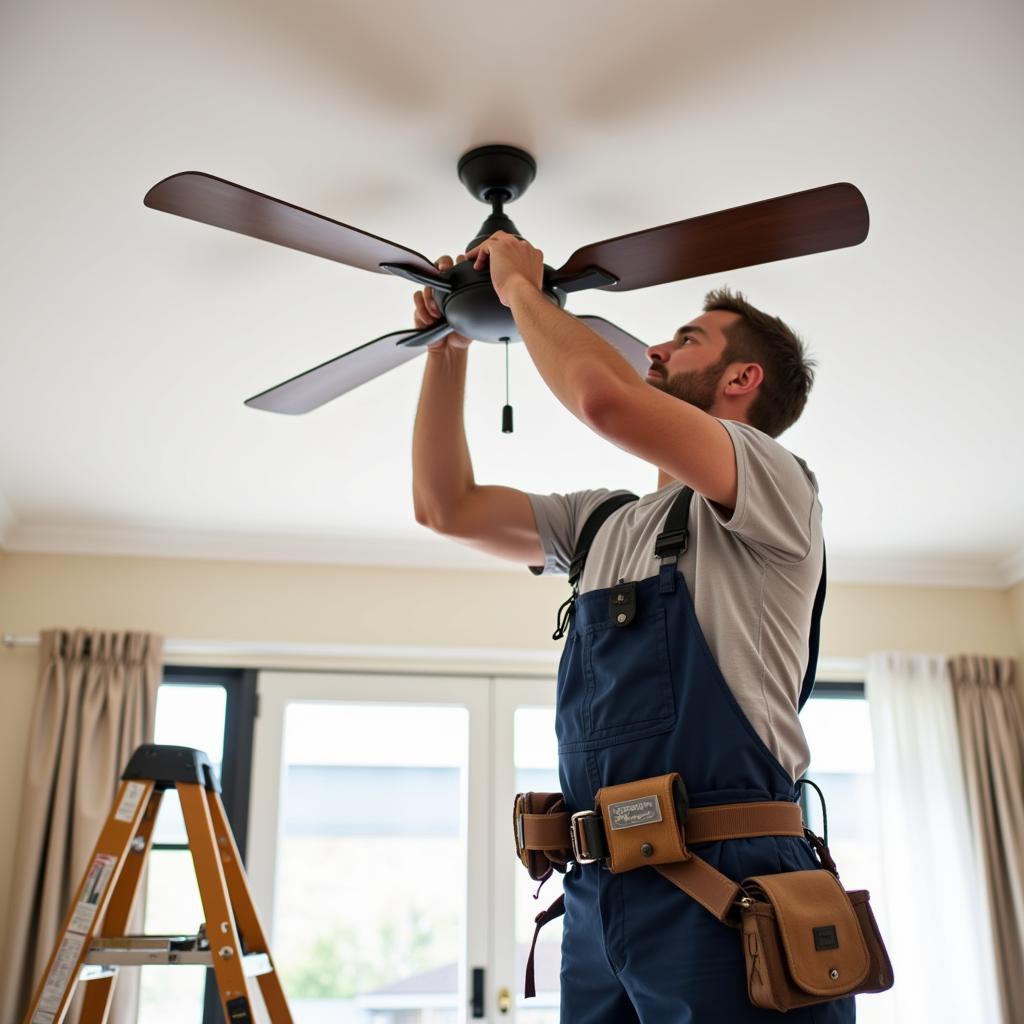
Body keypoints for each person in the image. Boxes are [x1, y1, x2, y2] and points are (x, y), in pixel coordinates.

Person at [411, 234, 852, 1023]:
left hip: (730, 888)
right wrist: (451, 342)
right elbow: (446, 506)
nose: (653, 346)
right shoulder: (601, 523)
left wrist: (523, 293)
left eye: (687, 341)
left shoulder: (776, 484)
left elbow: (604, 400)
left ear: (741, 378)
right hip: (596, 895)